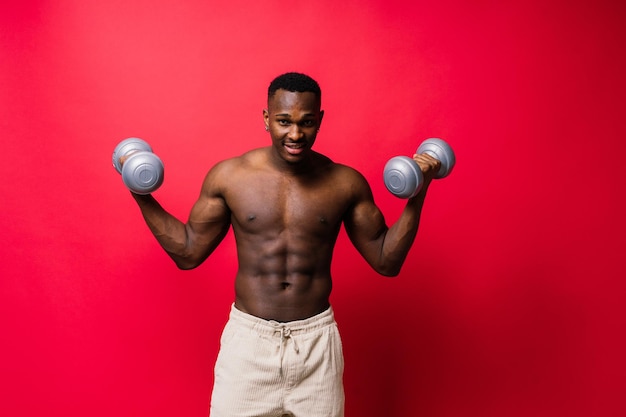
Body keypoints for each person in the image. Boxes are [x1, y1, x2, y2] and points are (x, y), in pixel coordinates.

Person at [124, 72, 442, 417]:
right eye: (283, 121)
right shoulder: (230, 177)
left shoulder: (344, 183)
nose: (295, 134)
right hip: (249, 344)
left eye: (306, 122)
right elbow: (188, 252)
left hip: (316, 345)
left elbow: (385, 261)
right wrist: (139, 191)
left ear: (319, 120)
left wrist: (417, 194)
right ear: (266, 119)